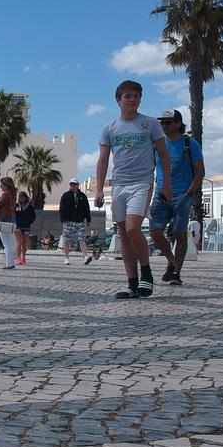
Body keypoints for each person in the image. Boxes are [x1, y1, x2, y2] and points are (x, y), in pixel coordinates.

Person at [95, 80, 173, 298]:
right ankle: (132, 283)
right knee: (123, 234)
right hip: (119, 184)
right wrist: (100, 189)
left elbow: (164, 155)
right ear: (118, 100)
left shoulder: (150, 124)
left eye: (136, 95)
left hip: (142, 182)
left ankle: (146, 273)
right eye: (127, 96)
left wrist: (166, 184)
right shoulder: (110, 128)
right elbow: (102, 160)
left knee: (132, 228)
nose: (132, 99)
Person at [148, 108, 204, 286]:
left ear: (178, 124)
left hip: (182, 195)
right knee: (154, 231)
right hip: (161, 194)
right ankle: (171, 261)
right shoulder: (158, 144)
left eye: (168, 122)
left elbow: (200, 172)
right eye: (161, 122)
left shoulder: (190, 144)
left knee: (180, 235)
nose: (164, 125)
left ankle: (176, 272)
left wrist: (189, 192)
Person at [59, 179, 95, 266]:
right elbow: (62, 208)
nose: (73, 186)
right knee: (66, 240)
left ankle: (85, 256)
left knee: (82, 239)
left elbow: (86, 208)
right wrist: (63, 219)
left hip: (80, 221)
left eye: (75, 184)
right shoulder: (65, 195)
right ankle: (66, 258)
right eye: (71, 184)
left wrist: (88, 219)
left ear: (78, 185)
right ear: (70, 185)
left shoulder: (83, 196)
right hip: (68, 221)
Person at [0, 177, 18, 269]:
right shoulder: (13, 194)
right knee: (10, 244)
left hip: (4, 221)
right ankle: (10, 263)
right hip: (12, 220)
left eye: (2, 185)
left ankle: (9, 264)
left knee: (6, 245)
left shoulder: (6, 195)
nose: (1, 187)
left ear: (7, 186)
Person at [14, 190, 35, 265]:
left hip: (26, 226)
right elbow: (13, 214)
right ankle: (18, 258)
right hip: (18, 226)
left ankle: (23, 257)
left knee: (25, 243)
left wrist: (29, 221)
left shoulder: (29, 206)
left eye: (23, 197)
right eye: (20, 197)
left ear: (26, 197)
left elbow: (33, 216)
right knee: (19, 242)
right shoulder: (16, 205)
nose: (22, 198)